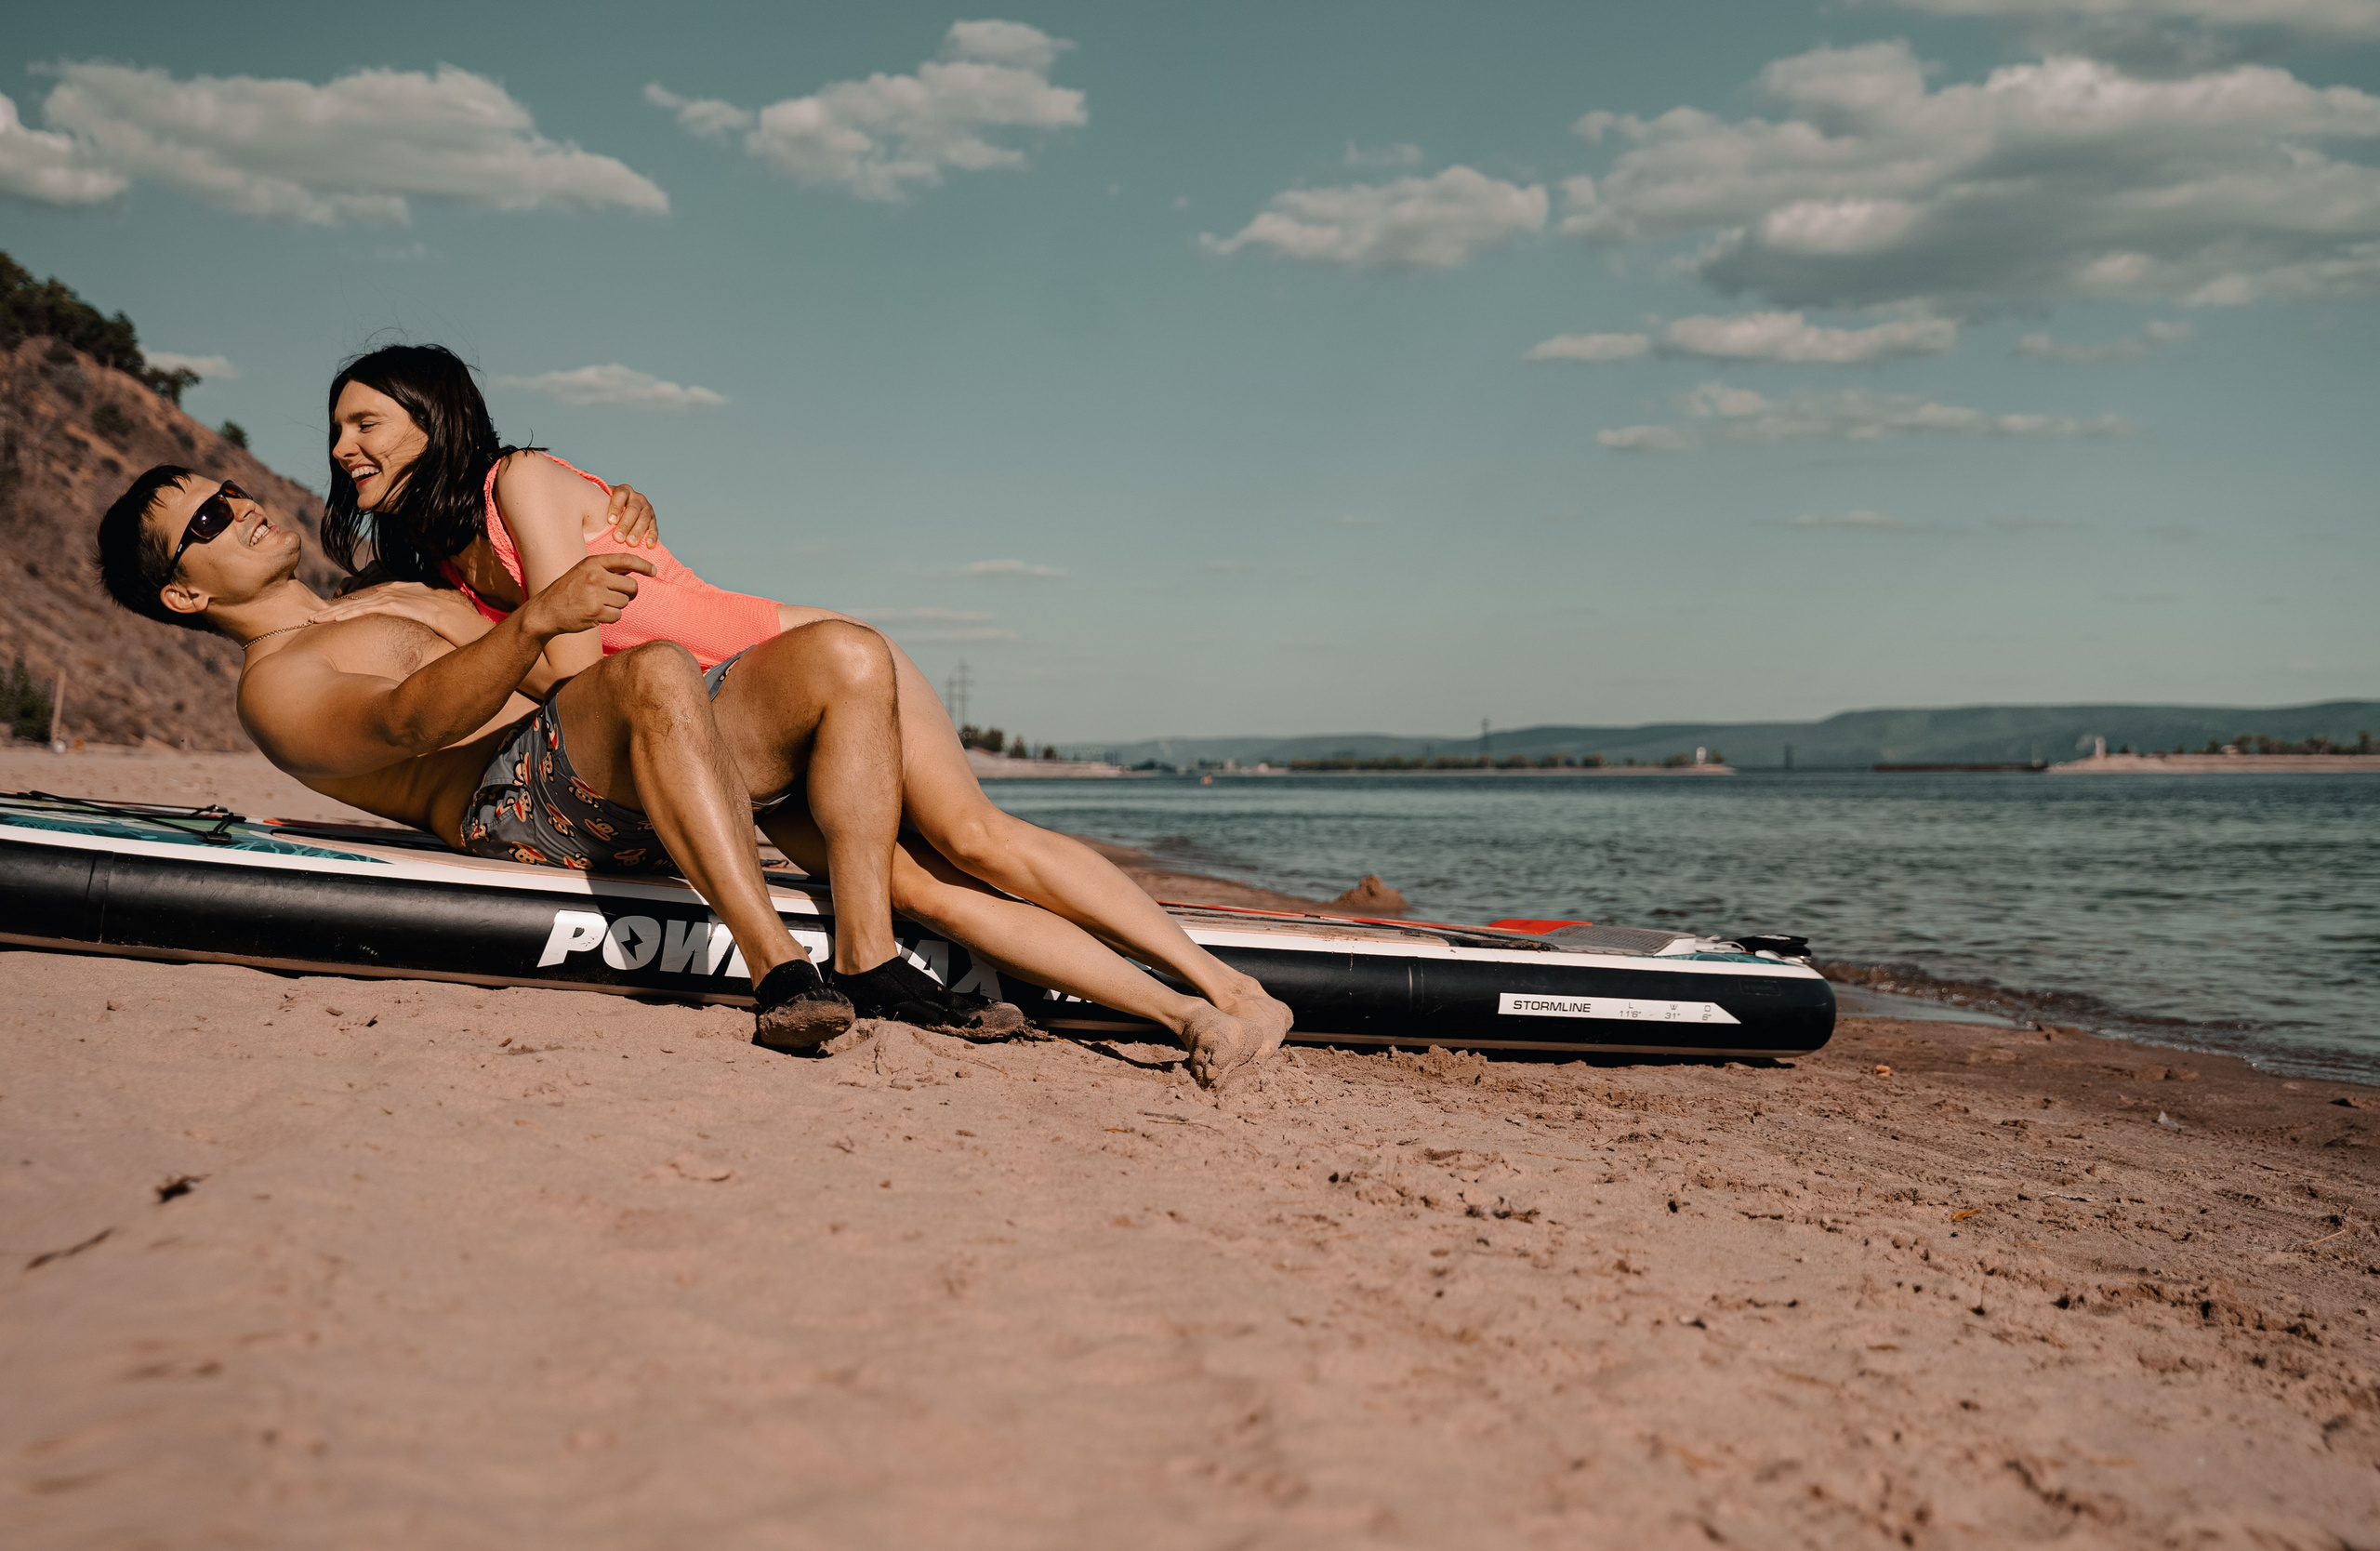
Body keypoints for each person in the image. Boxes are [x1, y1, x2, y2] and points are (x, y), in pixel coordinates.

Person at [92, 467, 1270, 1085]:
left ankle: (1185, 1010)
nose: (236, 507)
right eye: (204, 520)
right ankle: (782, 976)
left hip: (618, 761)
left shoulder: (380, 587)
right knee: (654, 674)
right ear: (186, 595)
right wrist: (539, 621)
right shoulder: (276, 682)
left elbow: (524, 551)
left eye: (225, 490)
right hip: (519, 808)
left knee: (848, 658)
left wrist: (620, 522)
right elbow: (410, 719)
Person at [307, 343, 1296, 1058]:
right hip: (722, 720)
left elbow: (567, 660)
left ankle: (1231, 985)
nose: (345, 446)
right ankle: (1187, 1019)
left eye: (367, 422)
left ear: (431, 420)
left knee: (977, 841)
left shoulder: (515, 480)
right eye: (338, 429)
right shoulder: (446, 559)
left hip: (793, 663)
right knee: (918, 888)